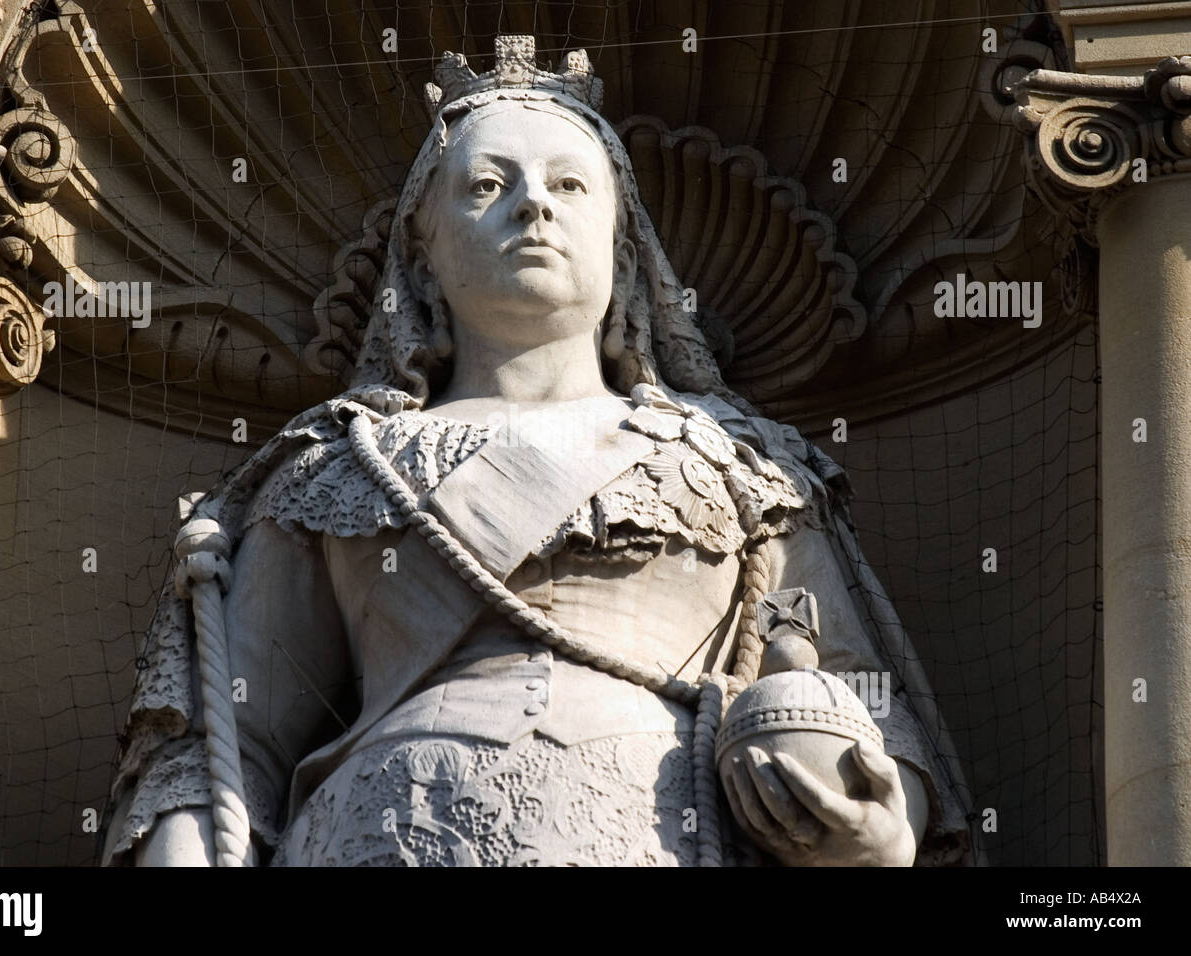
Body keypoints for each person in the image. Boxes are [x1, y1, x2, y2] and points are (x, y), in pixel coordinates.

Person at [104, 36, 973, 867]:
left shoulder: (742, 465)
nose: (534, 204)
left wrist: (881, 830)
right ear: (424, 247)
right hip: (382, 833)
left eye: (569, 184)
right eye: (488, 183)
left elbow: (860, 694)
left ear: (620, 241)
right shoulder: (333, 465)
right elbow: (227, 744)